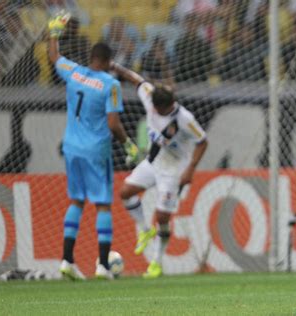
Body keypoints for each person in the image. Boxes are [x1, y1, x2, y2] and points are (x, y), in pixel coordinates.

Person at [47, 13, 139, 280]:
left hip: (71, 147)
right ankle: (102, 265)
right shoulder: (110, 84)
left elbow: (54, 56)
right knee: (102, 205)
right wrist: (128, 145)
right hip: (96, 149)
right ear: (109, 63)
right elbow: (113, 124)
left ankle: (66, 260)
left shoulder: (74, 72)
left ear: (91, 58)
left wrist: (54, 33)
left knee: (76, 200)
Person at [110, 63, 208, 278]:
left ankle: (156, 262)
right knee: (125, 192)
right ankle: (145, 229)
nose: (152, 111)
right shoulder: (151, 96)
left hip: (174, 169)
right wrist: (116, 67)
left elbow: (202, 141)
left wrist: (190, 169)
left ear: (167, 107)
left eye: (157, 110)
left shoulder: (185, 119)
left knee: (163, 216)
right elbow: (137, 80)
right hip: (154, 161)